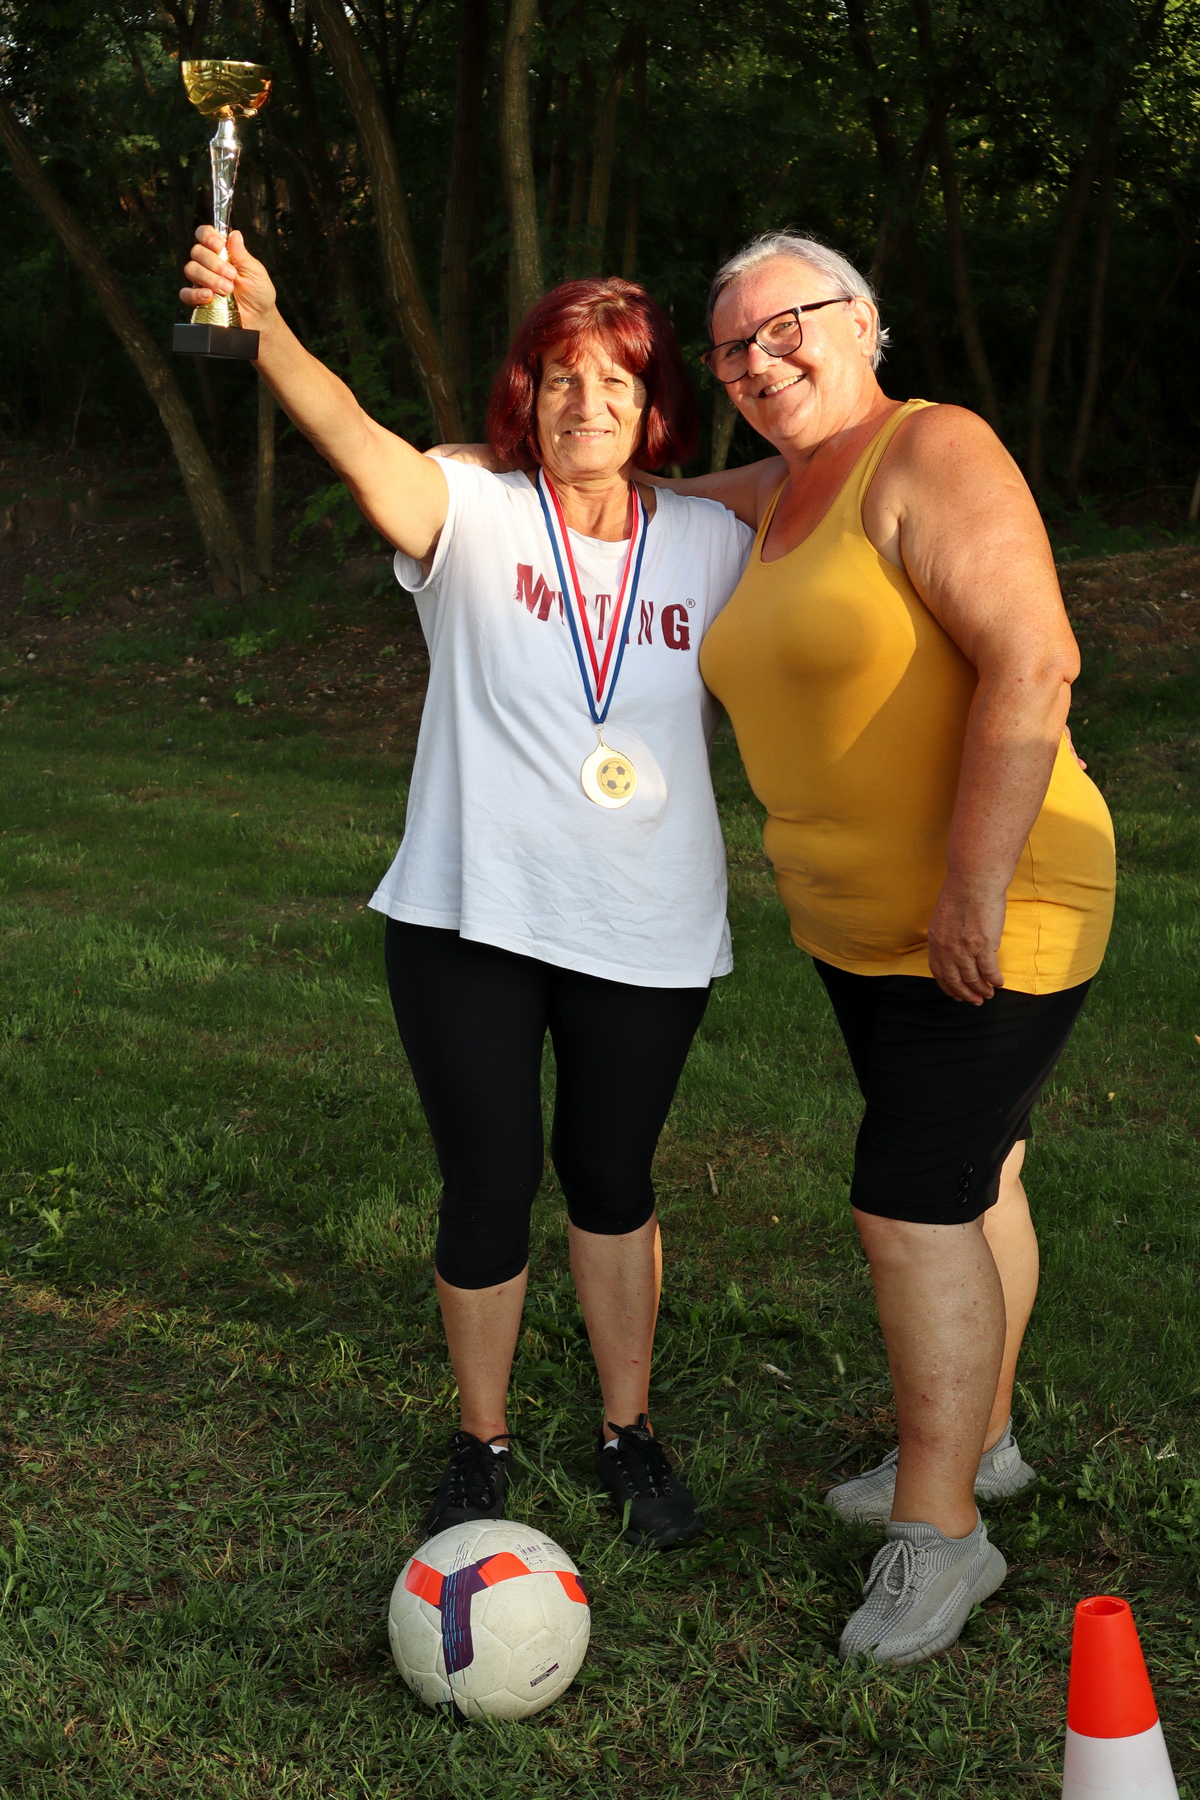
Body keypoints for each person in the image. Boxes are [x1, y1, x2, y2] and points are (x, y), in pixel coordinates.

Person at [181, 227, 753, 1551]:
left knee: (613, 1177)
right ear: (524, 393)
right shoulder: (471, 508)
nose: (586, 403)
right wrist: (267, 329)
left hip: (648, 921)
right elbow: (354, 437)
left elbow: (824, 470)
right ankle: (481, 1441)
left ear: (654, 401)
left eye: (616, 381)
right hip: (469, 915)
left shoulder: (712, 539)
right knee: (488, 1183)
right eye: (560, 378)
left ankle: (628, 1432)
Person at [650, 230, 1115, 1663]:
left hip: (993, 912)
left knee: (910, 1202)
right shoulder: (778, 491)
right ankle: (984, 1444)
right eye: (732, 347)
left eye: (784, 326)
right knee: (981, 1175)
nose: (758, 360)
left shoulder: (929, 450)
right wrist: (482, 457)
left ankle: (943, 1533)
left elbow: (1034, 659)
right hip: (860, 934)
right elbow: (617, 498)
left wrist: (972, 888)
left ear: (861, 321)